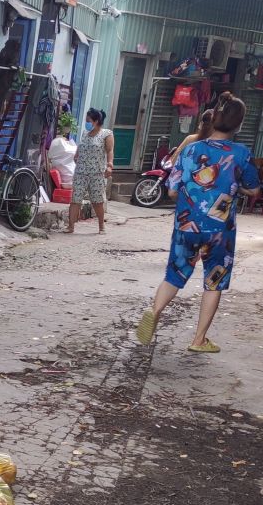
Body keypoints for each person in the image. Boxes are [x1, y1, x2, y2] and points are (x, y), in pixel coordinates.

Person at [136, 92, 260, 353]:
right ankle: (199, 340)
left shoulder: (191, 149)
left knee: (175, 274)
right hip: (220, 231)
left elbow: (172, 191)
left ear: (213, 118)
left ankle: (154, 311)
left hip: (186, 225)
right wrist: (233, 187)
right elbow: (253, 190)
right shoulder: (241, 154)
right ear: (238, 125)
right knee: (214, 281)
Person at [65, 108, 114, 234]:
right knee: (75, 199)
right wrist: (76, 155)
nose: (86, 123)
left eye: (88, 120)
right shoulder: (85, 133)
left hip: (96, 173)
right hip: (80, 172)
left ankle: (101, 226)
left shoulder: (106, 134)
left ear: (96, 121)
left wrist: (109, 165)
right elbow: (80, 148)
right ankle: (70, 226)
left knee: (97, 201)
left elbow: (109, 151)